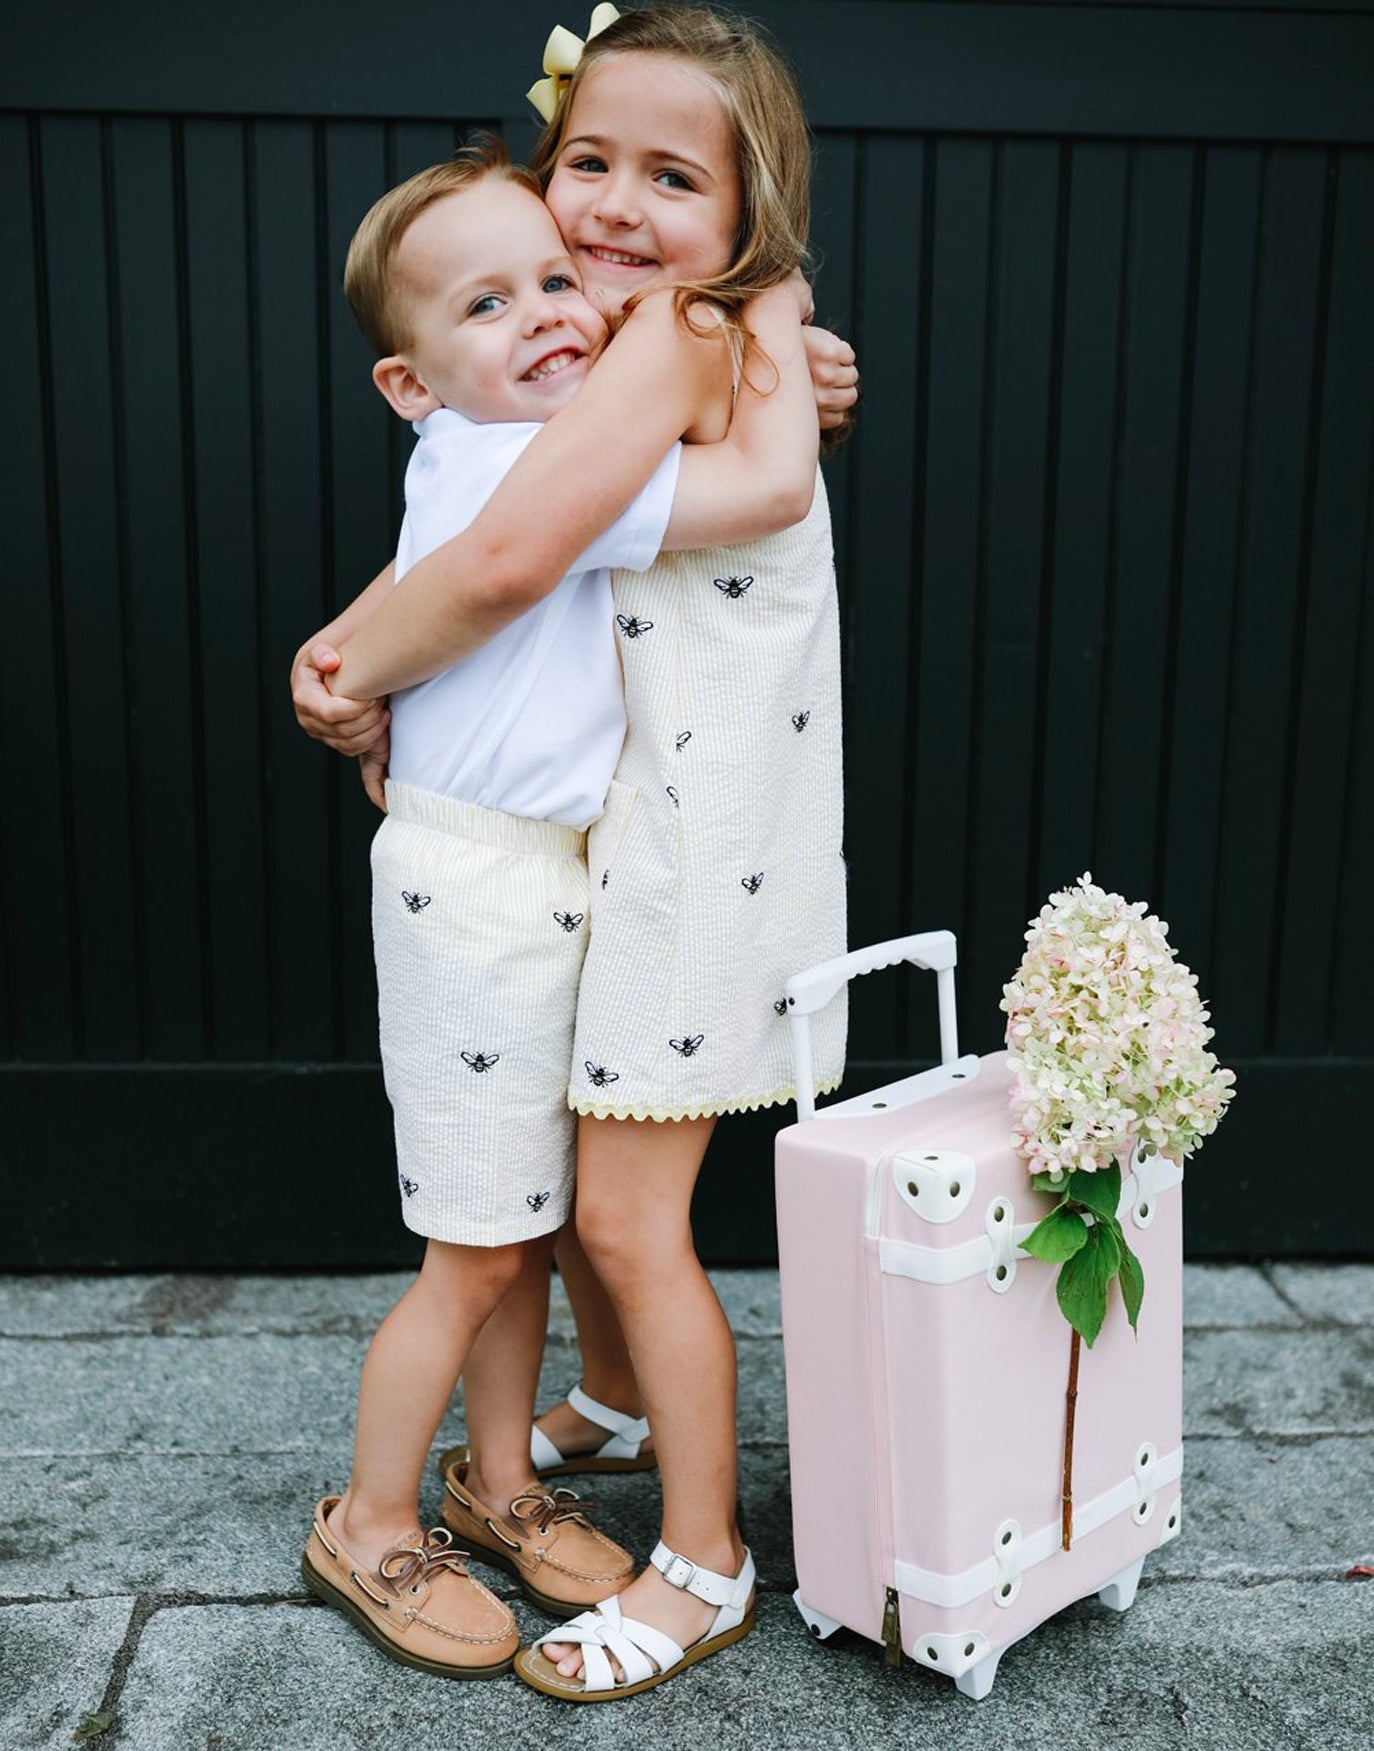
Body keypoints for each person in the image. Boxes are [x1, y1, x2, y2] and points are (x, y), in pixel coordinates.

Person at [297, 136, 825, 1681]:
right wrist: (776, 331)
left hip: (539, 874)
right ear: (411, 384)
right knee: (471, 1252)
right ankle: (374, 1518)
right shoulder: (511, 466)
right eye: (487, 302)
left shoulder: (538, 434)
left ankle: (504, 1480)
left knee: (518, 1237)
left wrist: (782, 353)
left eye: (553, 282)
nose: (543, 312)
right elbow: (746, 476)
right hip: (476, 884)